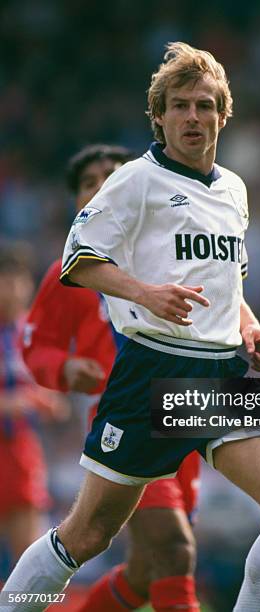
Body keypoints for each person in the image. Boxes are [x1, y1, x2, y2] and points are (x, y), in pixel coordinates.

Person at [1, 42, 260, 612]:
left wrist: (250, 326)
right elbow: (79, 259)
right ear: (159, 116)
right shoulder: (134, 180)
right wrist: (144, 292)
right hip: (153, 374)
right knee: (87, 536)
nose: (192, 117)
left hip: (223, 378)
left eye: (204, 105)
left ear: (224, 115)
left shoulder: (233, 190)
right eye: (179, 106)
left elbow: (229, 281)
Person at [22, 144, 201, 611]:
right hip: (127, 417)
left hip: (184, 414)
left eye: (113, 176)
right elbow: (36, 343)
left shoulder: (175, 250)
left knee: (145, 573)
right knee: (173, 550)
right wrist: (63, 368)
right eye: (88, 183)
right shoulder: (71, 269)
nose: (102, 187)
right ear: (77, 203)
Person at [0, 244, 66, 568]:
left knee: (28, 557)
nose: (12, 290)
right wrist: (10, 404)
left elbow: (56, 393)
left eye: (18, 280)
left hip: (21, 451)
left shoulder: (33, 332)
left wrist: (49, 401)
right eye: (5, 280)